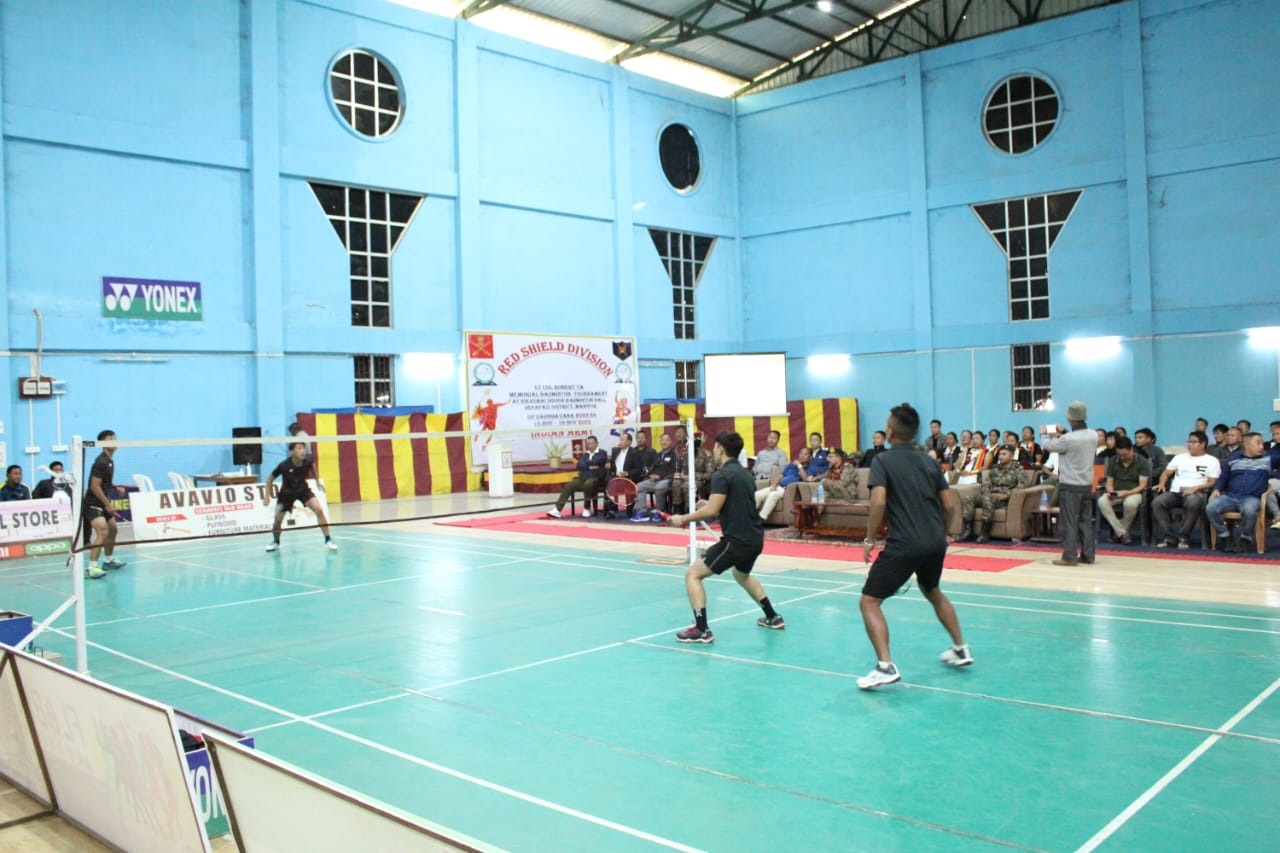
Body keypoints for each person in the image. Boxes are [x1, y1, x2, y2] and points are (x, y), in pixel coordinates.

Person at [856, 403, 971, 690]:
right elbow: (948, 503)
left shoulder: (882, 461)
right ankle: (960, 648)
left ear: (891, 432)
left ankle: (885, 667)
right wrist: (942, 533)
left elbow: (879, 501)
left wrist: (870, 538)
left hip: (905, 543)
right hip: (935, 541)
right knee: (932, 590)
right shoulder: (930, 461)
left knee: (869, 601)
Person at [667, 430, 784, 643]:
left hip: (736, 541)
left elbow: (711, 512)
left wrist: (682, 518)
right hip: (755, 538)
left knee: (693, 575)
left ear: (721, 448)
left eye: (714, 446)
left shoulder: (721, 475)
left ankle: (702, 629)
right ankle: (772, 617)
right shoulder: (744, 473)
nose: (713, 450)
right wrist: (711, 505)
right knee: (741, 575)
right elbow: (734, 504)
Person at [1040, 401, 1098, 566]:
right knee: (1085, 521)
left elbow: (1048, 445)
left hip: (1070, 486)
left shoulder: (1068, 439)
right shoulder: (1093, 434)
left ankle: (1069, 556)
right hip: (1087, 485)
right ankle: (1088, 555)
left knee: (1069, 522)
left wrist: (1043, 433)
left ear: (1070, 419)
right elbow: (1073, 440)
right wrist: (1063, 432)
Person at [264, 442, 338, 552]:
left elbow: (312, 465)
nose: (303, 451)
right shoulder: (284, 465)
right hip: (286, 494)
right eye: (299, 448)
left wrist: (317, 481)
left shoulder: (308, 461)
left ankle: (328, 540)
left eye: (303, 448)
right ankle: (276, 542)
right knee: (277, 520)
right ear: (292, 452)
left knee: (319, 509)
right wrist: (267, 496)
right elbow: (270, 478)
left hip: (302, 490)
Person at [1152, 431, 1220, 549]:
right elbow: (1166, 473)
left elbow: (1212, 482)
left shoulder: (1212, 460)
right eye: (1188, 442)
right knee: (1157, 502)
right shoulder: (1179, 458)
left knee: (1192, 502)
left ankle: (1184, 537)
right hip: (1176, 492)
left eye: (1193, 442)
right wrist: (1162, 483)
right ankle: (1170, 536)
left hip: (1197, 493)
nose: (1189, 445)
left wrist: (1195, 488)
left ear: (1203, 444)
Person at [1205, 432, 1270, 553]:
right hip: (1230, 496)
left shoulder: (1268, 459)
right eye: (1258, 443)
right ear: (1246, 445)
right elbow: (1223, 477)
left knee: (1249, 510)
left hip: (1251, 497)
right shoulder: (1233, 460)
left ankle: (1245, 538)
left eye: (1262, 443)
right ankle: (1225, 536)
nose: (1262, 446)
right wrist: (1216, 489)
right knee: (1211, 507)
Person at [82, 429, 127, 579]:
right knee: (102, 531)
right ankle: (92, 567)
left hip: (101, 502)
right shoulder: (100, 461)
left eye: (115, 438)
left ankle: (108, 560)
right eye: (110, 438)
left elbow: (103, 482)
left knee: (113, 529)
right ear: (103, 443)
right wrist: (108, 504)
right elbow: (95, 486)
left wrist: (114, 487)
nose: (114, 440)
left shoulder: (109, 461)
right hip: (92, 503)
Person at [1097, 436, 1151, 545]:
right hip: (1117, 492)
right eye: (1119, 455)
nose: (1122, 457)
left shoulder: (1142, 462)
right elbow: (1109, 481)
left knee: (1130, 503)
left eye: (1125, 455)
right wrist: (1111, 492)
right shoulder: (1113, 461)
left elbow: (1142, 486)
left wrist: (1127, 493)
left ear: (1131, 449)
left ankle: (1118, 533)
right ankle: (1122, 533)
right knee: (1102, 501)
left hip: (1135, 492)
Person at [546, 435, 608, 518]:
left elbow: (597, 461)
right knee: (569, 485)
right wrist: (590, 467)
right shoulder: (585, 454)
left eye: (591, 443)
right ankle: (557, 509)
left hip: (596, 478)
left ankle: (587, 508)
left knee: (588, 484)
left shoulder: (602, 453)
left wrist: (586, 465)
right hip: (583, 477)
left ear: (597, 444)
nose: (589, 445)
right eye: (588, 444)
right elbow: (579, 465)